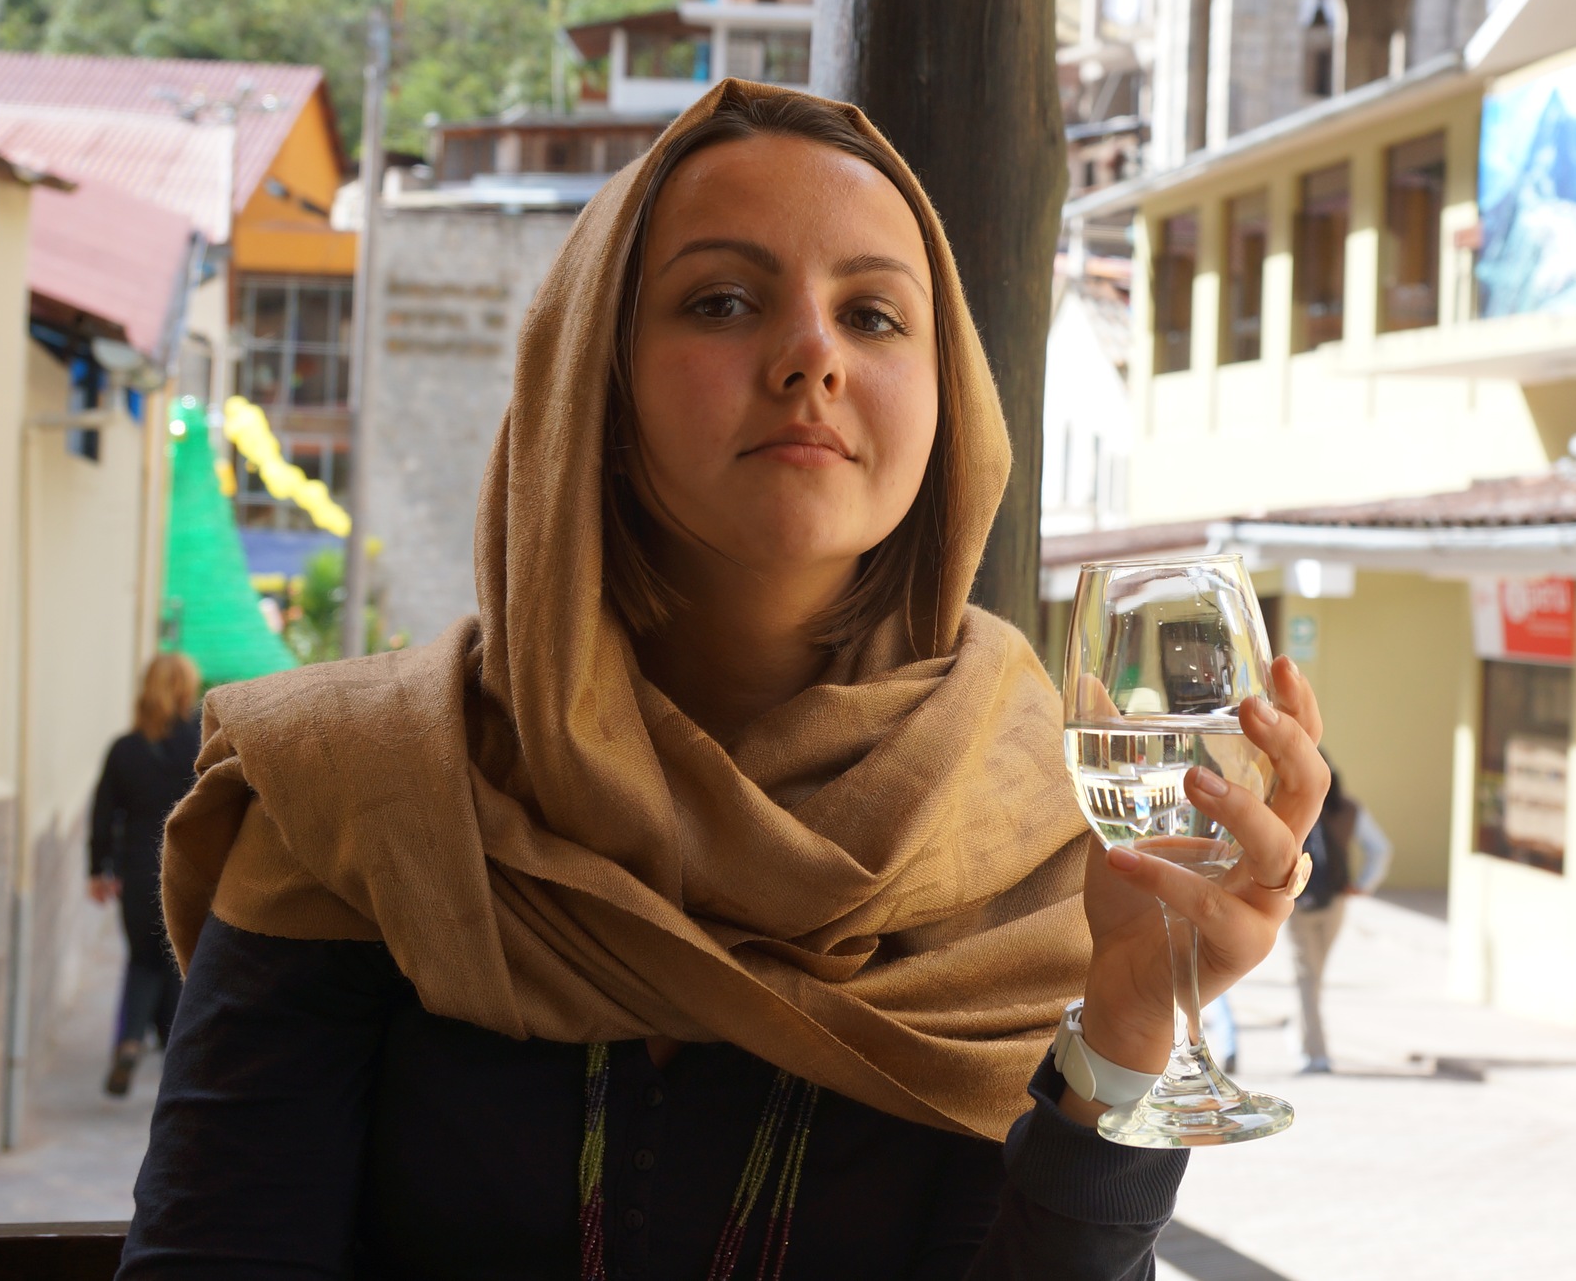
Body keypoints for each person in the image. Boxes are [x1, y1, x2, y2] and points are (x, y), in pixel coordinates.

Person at [119, 82, 1331, 1279]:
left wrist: (1129, 1027)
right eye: (722, 302)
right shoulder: (356, 793)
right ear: (593, 384)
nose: (811, 357)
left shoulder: (1039, 840)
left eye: (872, 316)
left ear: (949, 404)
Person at [89, 651, 204, 1097]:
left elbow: (104, 814)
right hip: (189, 872)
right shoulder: (201, 746)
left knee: (143, 961)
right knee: (176, 963)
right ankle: (177, 1063)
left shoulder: (125, 749)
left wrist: (98, 869)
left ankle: (130, 1043)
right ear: (186, 690)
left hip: (137, 873)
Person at [1289, 766, 1391, 1074]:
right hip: (1335, 902)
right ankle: (1308, 1041)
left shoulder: (1290, 807)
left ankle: (1313, 1050)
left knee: (1308, 976)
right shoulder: (1348, 810)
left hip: (1297, 904)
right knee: (1313, 976)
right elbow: (1381, 849)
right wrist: (1363, 885)